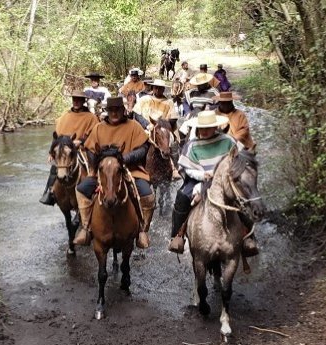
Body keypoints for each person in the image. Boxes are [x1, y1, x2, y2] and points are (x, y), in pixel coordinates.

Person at [167, 111, 259, 255]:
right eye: (201, 128)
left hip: (225, 179)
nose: (203, 131)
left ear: (215, 127)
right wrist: (203, 175)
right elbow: (188, 169)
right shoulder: (192, 145)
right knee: (182, 196)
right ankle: (177, 236)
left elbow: (240, 159)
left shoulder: (228, 140)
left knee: (241, 197)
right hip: (200, 179)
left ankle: (249, 237)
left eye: (207, 128)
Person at [74, 97, 156, 249]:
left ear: (123, 111)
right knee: (81, 190)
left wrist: (125, 159)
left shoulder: (134, 126)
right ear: (107, 111)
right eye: (111, 110)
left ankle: (142, 231)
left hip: (131, 171)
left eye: (117, 110)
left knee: (148, 197)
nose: (114, 113)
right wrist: (97, 165)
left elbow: (143, 148)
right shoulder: (99, 128)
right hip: (103, 173)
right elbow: (90, 149)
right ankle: (86, 227)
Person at [39, 90, 100, 205]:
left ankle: (92, 189)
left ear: (83, 101)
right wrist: (51, 153)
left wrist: (81, 141)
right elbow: (56, 136)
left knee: (90, 166)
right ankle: (50, 192)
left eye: (79, 99)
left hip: (82, 148)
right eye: (74, 99)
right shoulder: (64, 116)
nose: (76, 102)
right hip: (64, 149)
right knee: (55, 166)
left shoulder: (91, 118)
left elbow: (95, 134)